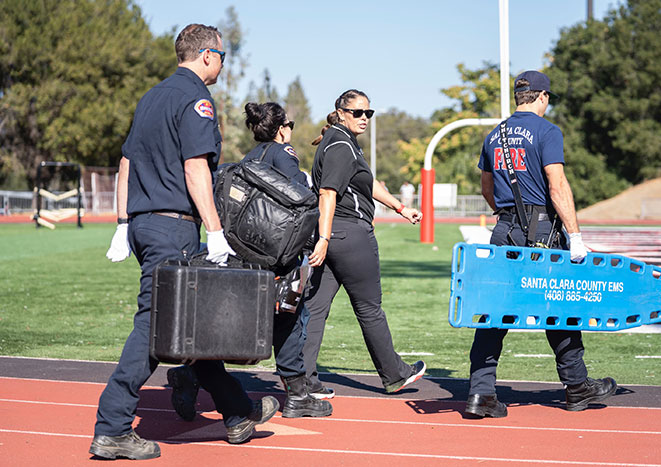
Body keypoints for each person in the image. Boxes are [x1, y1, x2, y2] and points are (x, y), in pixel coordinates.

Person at [91, 24, 278, 460]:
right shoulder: (197, 100)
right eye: (224, 57)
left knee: (192, 319)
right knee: (156, 326)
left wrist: (123, 222)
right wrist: (215, 231)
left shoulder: (152, 96)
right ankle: (113, 426)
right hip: (172, 226)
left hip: (144, 223)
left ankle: (236, 411)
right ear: (209, 55)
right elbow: (197, 169)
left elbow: (126, 162)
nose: (223, 66)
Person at [466, 70, 617, 419]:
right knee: (558, 305)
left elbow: (487, 187)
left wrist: (505, 215)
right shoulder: (547, 132)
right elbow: (557, 183)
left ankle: (481, 392)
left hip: (504, 231)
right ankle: (577, 386)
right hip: (542, 231)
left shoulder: (494, 135)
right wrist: (575, 235)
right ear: (543, 97)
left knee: (494, 310)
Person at [167, 101, 332, 420]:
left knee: (234, 324)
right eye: (290, 126)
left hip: (243, 250)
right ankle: (297, 395)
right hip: (275, 252)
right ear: (282, 128)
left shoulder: (248, 158)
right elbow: (301, 196)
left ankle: (189, 375)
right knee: (290, 321)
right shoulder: (283, 154)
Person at [302, 89, 426, 397]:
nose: (364, 118)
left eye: (368, 113)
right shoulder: (342, 145)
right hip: (349, 237)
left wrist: (400, 208)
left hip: (335, 236)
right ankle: (395, 374)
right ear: (341, 112)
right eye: (357, 112)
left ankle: (301, 380)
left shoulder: (341, 141)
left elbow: (368, 182)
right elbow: (327, 193)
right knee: (369, 308)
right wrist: (325, 237)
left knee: (315, 308)